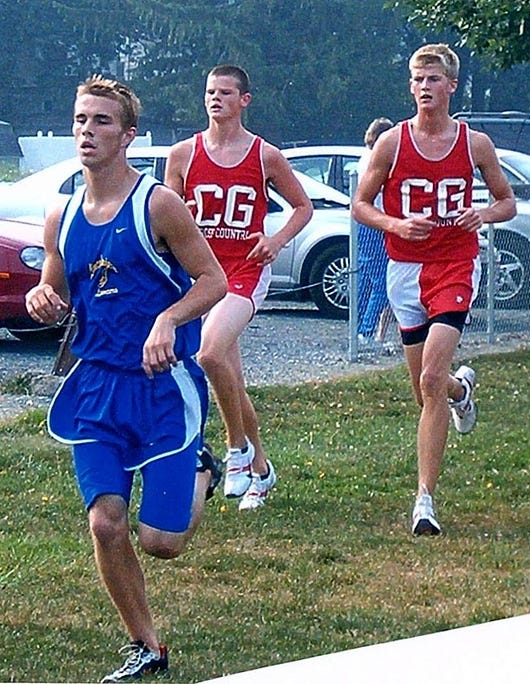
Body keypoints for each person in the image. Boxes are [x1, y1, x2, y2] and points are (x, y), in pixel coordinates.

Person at [25, 75, 227, 682]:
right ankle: (147, 646)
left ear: (128, 136)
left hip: (163, 387)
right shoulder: (60, 214)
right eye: (81, 120)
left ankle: (202, 471)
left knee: (161, 542)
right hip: (94, 389)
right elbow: (57, 291)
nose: (87, 131)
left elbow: (213, 281)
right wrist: (43, 298)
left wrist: (168, 319)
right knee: (105, 521)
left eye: (102, 122)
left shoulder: (158, 204)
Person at [352, 43, 516, 535]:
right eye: (417, 80)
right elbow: (361, 205)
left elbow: (508, 202)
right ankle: (461, 390)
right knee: (427, 389)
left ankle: (425, 500)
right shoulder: (392, 143)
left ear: (451, 86)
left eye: (433, 80)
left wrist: (482, 213)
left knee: (428, 382)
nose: (424, 88)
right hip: (404, 270)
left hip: (456, 266)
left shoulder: (474, 143)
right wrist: (394, 225)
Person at [165, 64, 313, 510]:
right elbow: (166, 215)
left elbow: (302, 207)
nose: (216, 99)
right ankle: (262, 471)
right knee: (230, 378)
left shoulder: (264, 155)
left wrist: (276, 240)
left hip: (244, 271)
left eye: (226, 92)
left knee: (209, 352)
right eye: (210, 91)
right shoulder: (183, 154)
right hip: (201, 274)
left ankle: (235, 451)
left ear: (244, 100)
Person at [355, 117, 395, 346]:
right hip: (377, 222)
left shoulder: (364, 157)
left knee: (366, 279)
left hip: (367, 223)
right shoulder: (375, 159)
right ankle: (367, 330)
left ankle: (359, 327)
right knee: (382, 281)